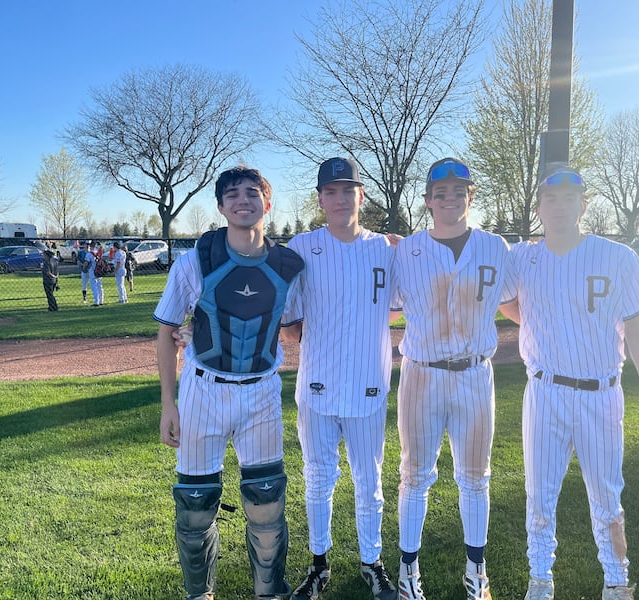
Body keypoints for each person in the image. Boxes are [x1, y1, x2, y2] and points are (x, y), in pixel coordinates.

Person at [499, 166, 639, 600]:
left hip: (601, 393)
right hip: (545, 392)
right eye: (550, 200)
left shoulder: (617, 256)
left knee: (607, 499)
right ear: (538, 208)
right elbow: (504, 298)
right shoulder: (523, 257)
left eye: (569, 198)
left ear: (583, 204)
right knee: (539, 496)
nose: (559, 207)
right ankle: (540, 581)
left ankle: (616, 582)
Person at [154, 166, 304, 600]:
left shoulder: (288, 266)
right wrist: (169, 404)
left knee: (266, 499)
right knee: (196, 505)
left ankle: (269, 592)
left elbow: (292, 330)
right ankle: (200, 594)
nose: (243, 200)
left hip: (261, 390)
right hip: (204, 388)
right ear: (220, 206)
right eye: (232, 194)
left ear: (267, 203)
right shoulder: (195, 260)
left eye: (253, 193)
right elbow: (166, 332)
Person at [392, 158, 517, 600]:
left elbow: (516, 305)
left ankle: (476, 569)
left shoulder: (495, 247)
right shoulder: (405, 250)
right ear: (427, 200)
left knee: (475, 475)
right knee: (415, 474)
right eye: (440, 192)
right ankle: (408, 571)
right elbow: (379, 307)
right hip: (421, 374)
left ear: (471, 196)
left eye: (458, 191)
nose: (450, 199)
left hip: (473, 374)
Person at [281, 158, 399, 600]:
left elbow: (411, 299)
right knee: (318, 478)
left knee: (370, 481)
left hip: (368, 384)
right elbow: (289, 325)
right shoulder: (301, 246)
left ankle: (373, 562)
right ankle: (319, 565)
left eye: (348, 189)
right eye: (331, 191)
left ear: (361, 195)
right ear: (320, 198)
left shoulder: (388, 249)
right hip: (316, 386)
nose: (339, 198)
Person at [86, 242, 104, 306]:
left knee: (94, 287)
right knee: (100, 286)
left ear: (90, 246)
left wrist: (83, 267)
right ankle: (101, 300)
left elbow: (86, 263)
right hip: (99, 271)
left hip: (92, 271)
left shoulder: (89, 254)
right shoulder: (98, 253)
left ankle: (96, 301)